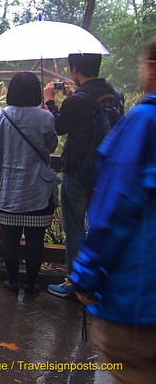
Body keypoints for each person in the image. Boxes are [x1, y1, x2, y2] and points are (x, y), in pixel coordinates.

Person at [70, 39, 156, 382]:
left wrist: (86, 276)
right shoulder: (115, 97)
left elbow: (117, 211)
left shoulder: (145, 121)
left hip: (139, 297)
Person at [43, 53, 124, 299]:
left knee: (75, 228)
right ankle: (99, 281)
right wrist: (71, 99)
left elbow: (59, 127)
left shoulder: (77, 101)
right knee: (99, 227)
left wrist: (50, 102)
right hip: (107, 172)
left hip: (78, 170)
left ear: (74, 68)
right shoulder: (115, 96)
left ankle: (75, 282)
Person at [0, 72, 59, 294]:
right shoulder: (46, 118)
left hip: (9, 188)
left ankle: (12, 281)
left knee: (10, 237)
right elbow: (52, 147)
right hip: (38, 189)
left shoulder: (0, 117)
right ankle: (31, 284)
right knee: (36, 238)